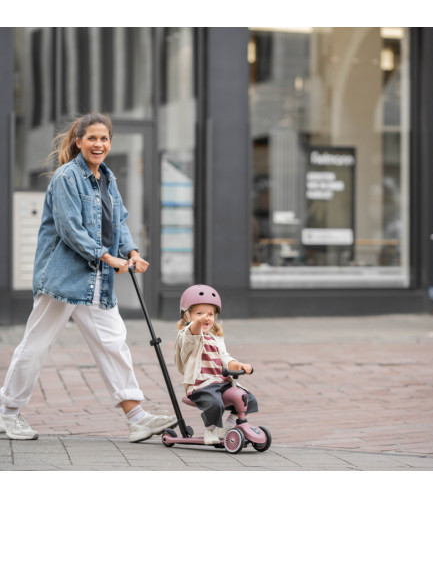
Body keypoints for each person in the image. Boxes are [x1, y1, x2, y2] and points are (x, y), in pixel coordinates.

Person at [0, 113, 177, 442]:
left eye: (105, 139)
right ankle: (7, 414)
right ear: (78, 141)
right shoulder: (67, 177)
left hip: (96, 281)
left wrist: (132, 251)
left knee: (113, 344)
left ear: (111, 143)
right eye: (92, 138)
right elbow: (70, 230)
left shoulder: (108, 179)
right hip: (64, 278)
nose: (99, 144)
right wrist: (107, 256)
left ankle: (136, 418)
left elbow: (119, 222)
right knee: (37, 345)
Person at [174, 284, 258, 445]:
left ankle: (229, 424)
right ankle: (210, 430)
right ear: (186, 317)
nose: (206, 317)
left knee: (248, 398)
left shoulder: (216, 338)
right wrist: (197, 323)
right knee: (215, 403)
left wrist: (239, 365)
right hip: (201, 386)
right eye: (199, 313)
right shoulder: (188, 336)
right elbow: (193, 334)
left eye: (210, 314)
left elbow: (226, 358)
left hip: (221, 383)